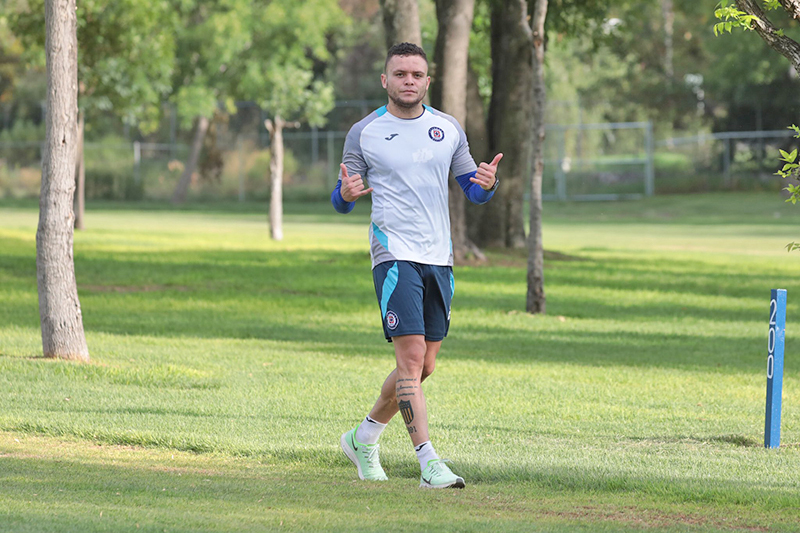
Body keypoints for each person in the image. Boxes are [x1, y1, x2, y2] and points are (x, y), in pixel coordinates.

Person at [331, 42, 502, 489]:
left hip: (438, 257)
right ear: (385, 80)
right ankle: (429, 463)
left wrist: (487, 184)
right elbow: (342, 197)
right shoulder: (364, 132)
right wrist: (345, 195)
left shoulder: (447, 128)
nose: (409, 81)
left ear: (428, 81)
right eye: (400, 74)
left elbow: (473, 190)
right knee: (409, 360)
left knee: (424, 366)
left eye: (416, 74)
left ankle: (363, 437)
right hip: (393, 255)